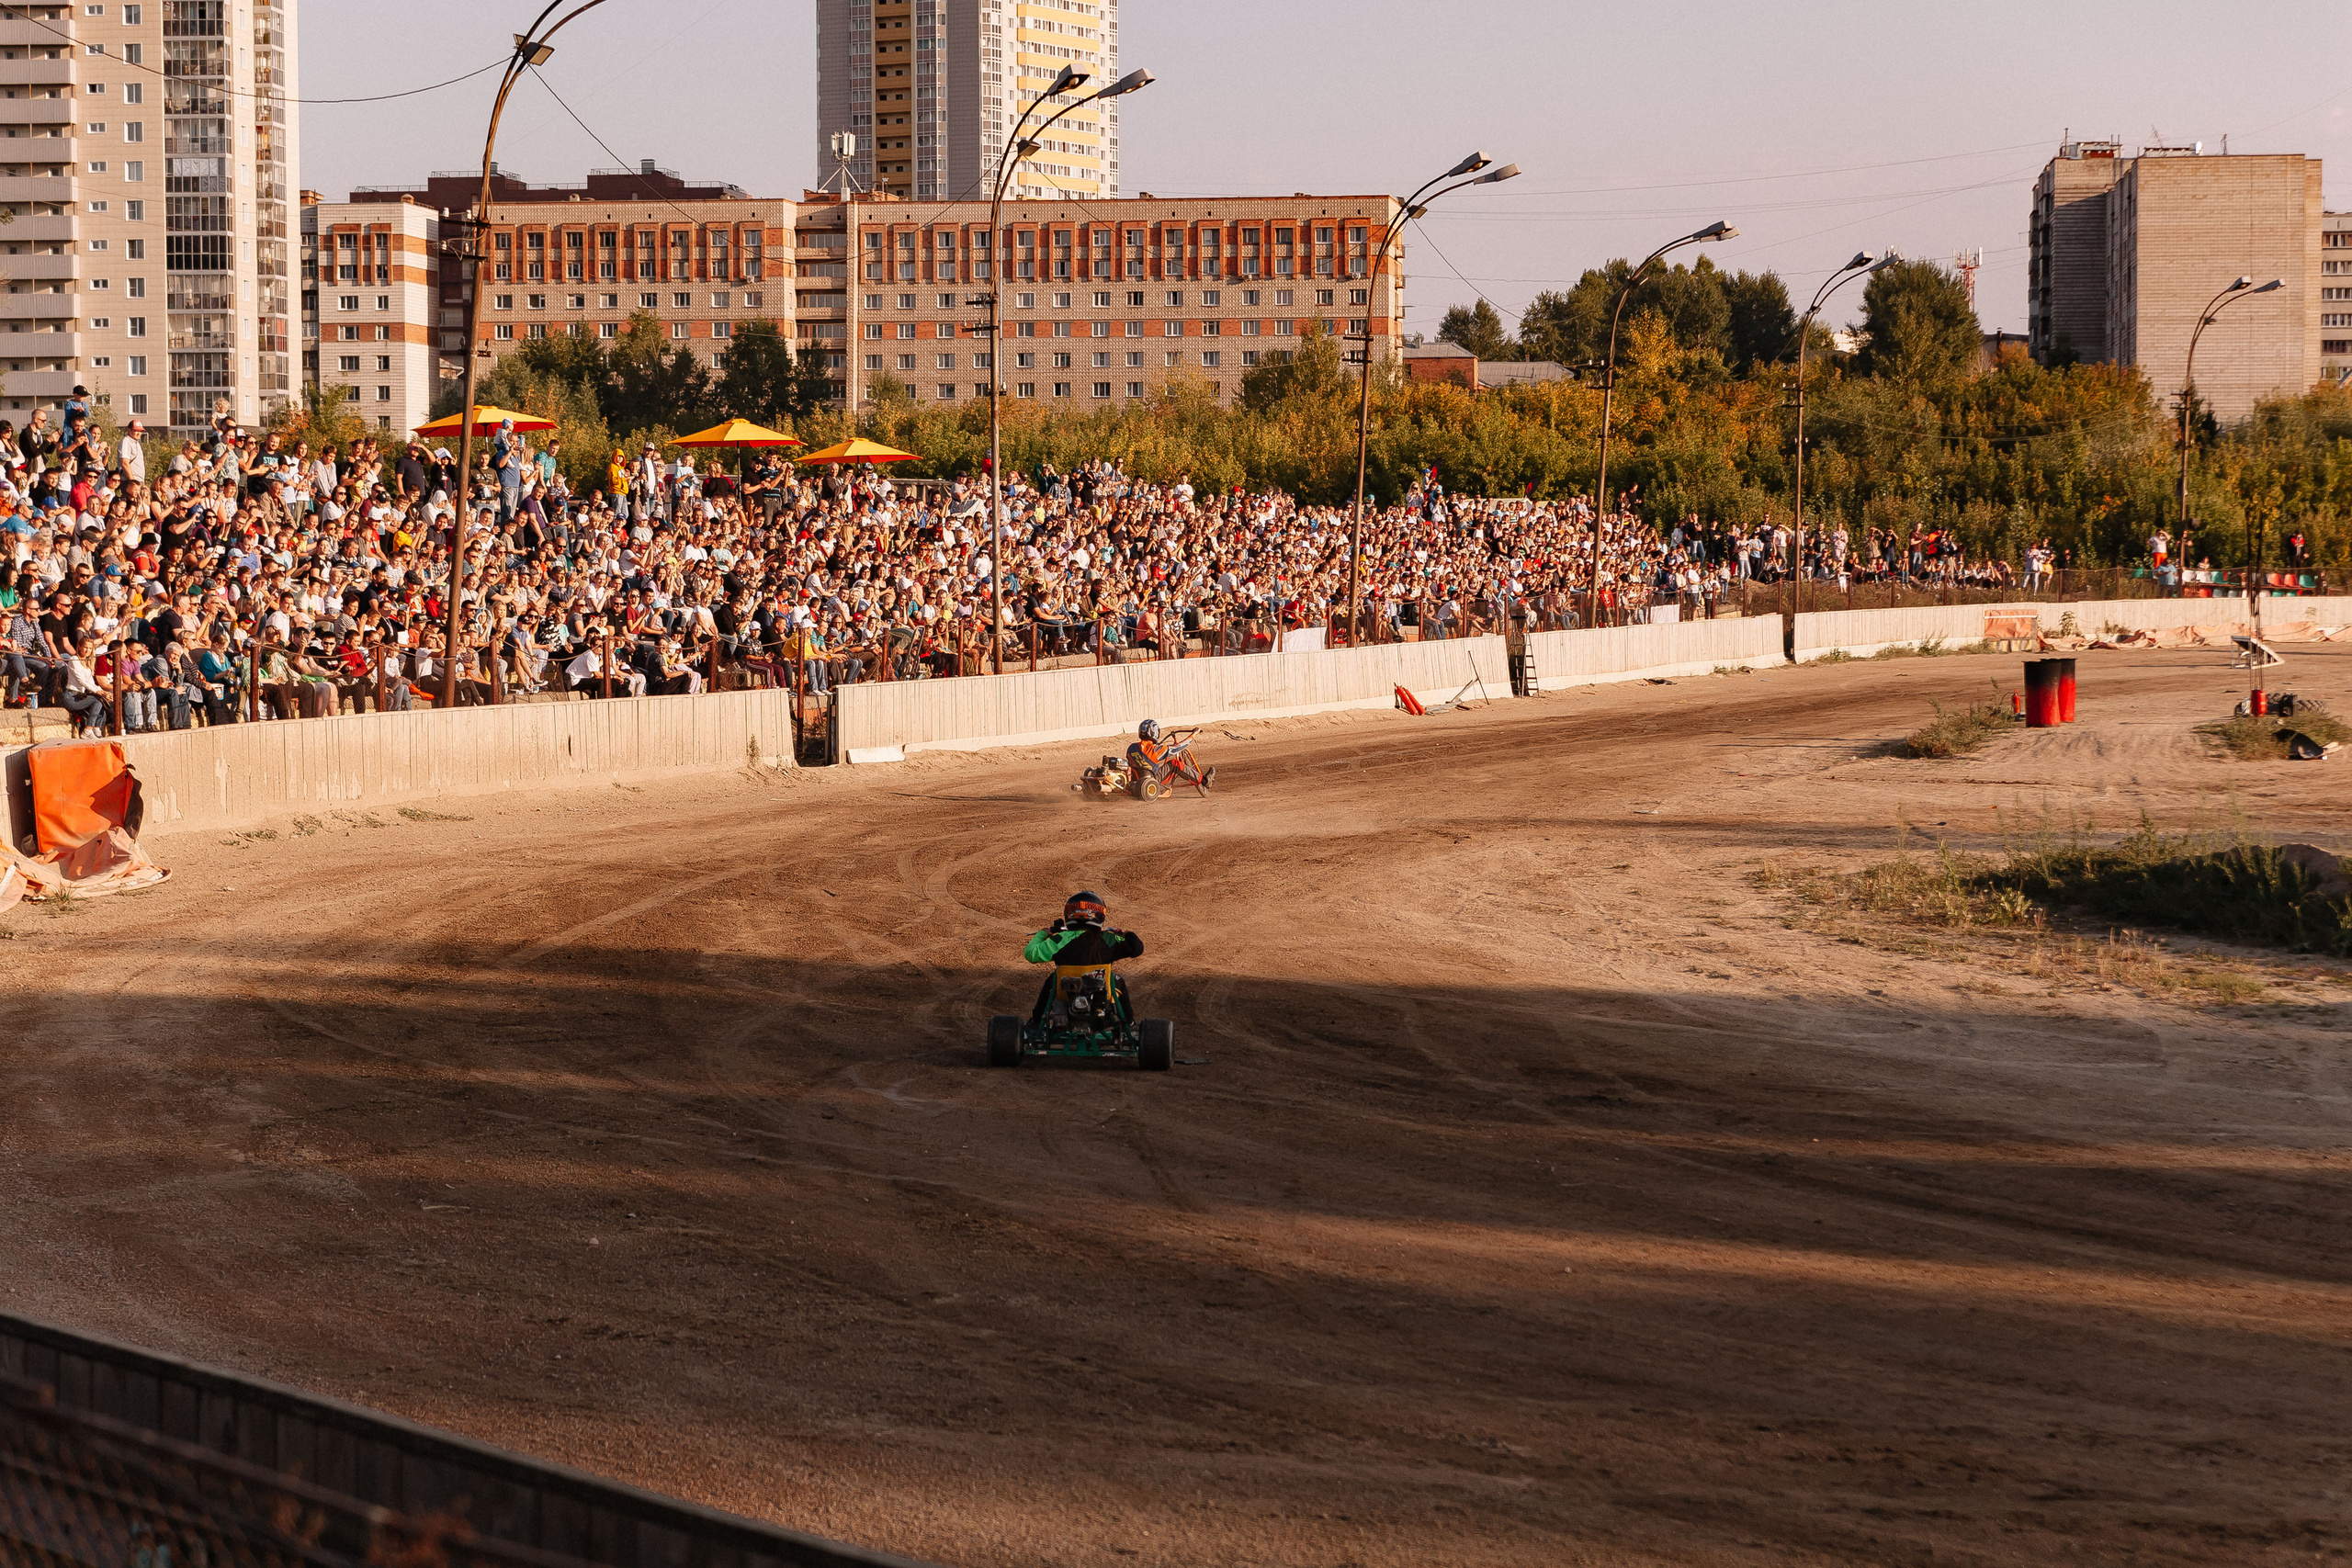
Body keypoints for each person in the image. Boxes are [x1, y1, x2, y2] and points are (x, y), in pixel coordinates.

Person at [1022, 890, 1146, 1025]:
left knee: (1053, 979)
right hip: (1102, 992)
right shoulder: (1110, 939)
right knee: (1118, 980)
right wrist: (1125, 934)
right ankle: (1129, 1023)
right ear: (1100, 914)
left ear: (1069, 915)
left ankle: (1036, 1022)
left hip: (1065, 991)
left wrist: (1043, 933)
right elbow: (1137, 948)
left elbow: (1031, 953)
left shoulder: (1059, 939)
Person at [1126, 717, 1214, 793]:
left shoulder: (1131, 748)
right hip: (1153, 784)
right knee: (1175, 764)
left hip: (1136, 784)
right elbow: (1179, 747)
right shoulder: (1155, 750)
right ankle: (1205, 780)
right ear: (1154, 732)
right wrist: (1194, 734)